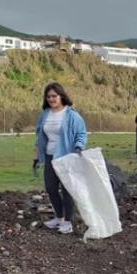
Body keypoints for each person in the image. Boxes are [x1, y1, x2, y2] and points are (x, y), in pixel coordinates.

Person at [34, 83, 88, 234]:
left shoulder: (71, 115)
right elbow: (39, 134)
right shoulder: (45, 114)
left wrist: (79, 146)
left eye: (54, 96)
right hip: (49, 156)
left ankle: (68, 222)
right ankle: (59, 217)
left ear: (61, 96)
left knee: (67, 190)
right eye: (48, 96)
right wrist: (37, 153)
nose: (51, 99)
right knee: (51, 188)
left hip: (66, 156)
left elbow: (81, 134)